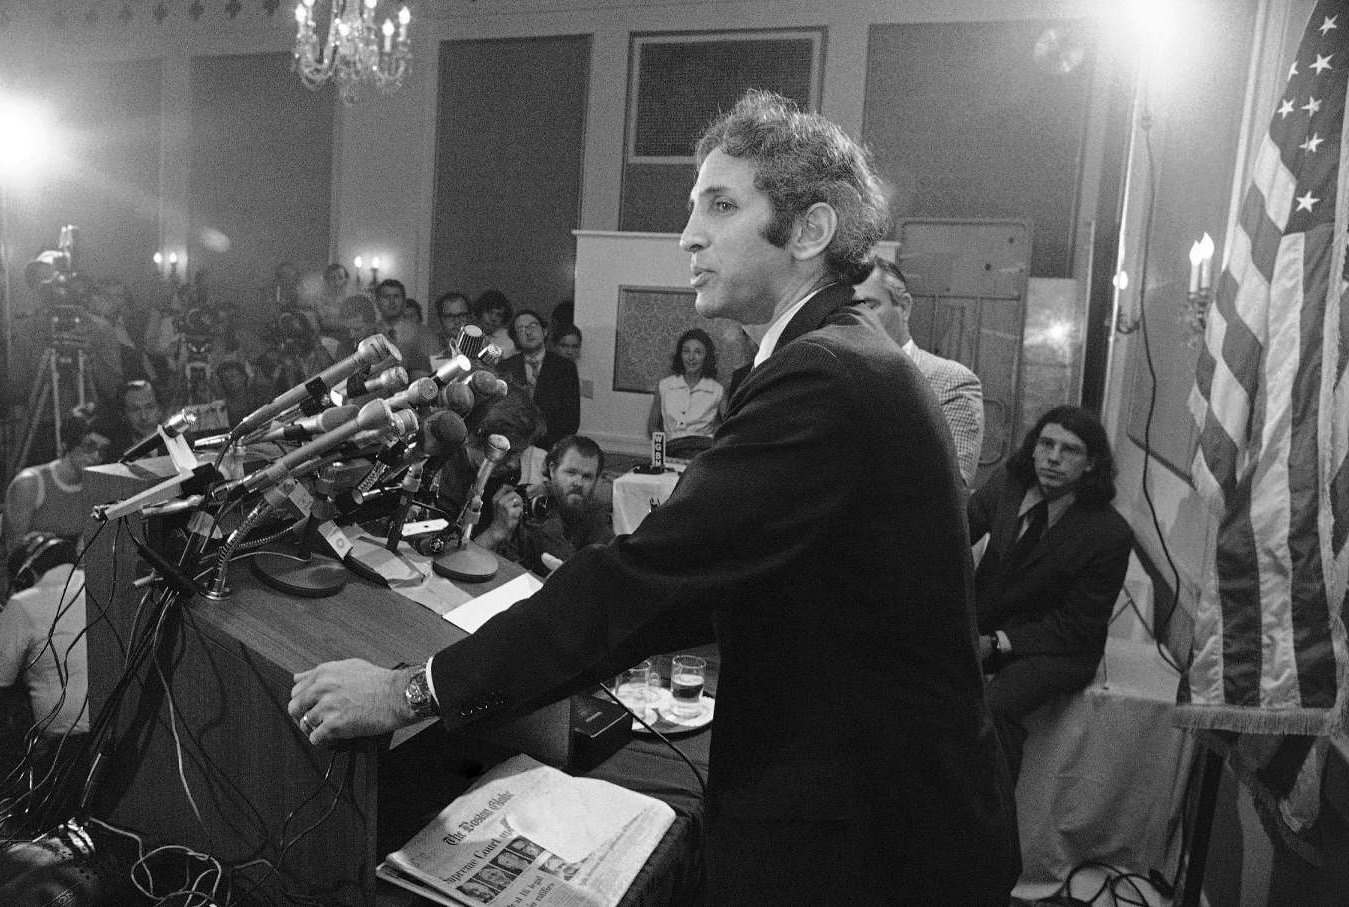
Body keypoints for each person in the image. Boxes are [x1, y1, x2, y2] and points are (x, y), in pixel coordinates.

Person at [288, 90, 1017, 904]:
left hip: (868, 841)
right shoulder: (831, 358)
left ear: (809, 231)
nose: (687, 235)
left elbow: (646, 579)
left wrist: (407, 689)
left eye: (721, 204)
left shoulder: (826, 377)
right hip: (873, 806)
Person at [969, 405, 1132, 785]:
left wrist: (995, 643)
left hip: (1057, 647)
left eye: (1069, 450)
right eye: (1046, 444)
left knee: (998, 703)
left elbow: (1076, 628)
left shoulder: (1109, 534)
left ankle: (994, 818)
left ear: (1091, 464)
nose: (1053, 458)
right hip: (989, 622)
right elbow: (956, 536)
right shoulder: (1009, 484)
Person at [0, 532, 90, 823]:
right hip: (114, 734)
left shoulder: (24, 603)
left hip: (67, 753)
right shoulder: (95, 583)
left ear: (27, 575)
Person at [855, 256, 984, 486]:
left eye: (868, 306)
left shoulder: (950, 382)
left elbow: (952, 488)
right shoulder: (832, 376)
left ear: (903, 307)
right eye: (846, 310)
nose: (855, 319)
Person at [434, 385, 545, 555]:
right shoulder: (442, 472)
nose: (514, 464)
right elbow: (441, 557)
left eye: (520, 454)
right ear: (482, 436)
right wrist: (495, 532)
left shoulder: (506, 473)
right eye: (510, 453)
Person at [3, 407, 108, 548]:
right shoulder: (29, 483)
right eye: (89, 446)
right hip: (17, 566)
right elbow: (12, 548)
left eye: (102, 450)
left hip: (68, 567)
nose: (96, 456)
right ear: (68, 443)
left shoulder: (97, 486)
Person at [514, 435, 614, 577]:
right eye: (571, 472)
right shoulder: (533, 506)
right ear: (552, 470)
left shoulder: (591, 509)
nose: (578, 483)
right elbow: (561, 564)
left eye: (587, 477)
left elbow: (608, 558)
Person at [497, 310, 580, 450]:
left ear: (545, 331)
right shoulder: (505, 367)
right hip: (512, 448)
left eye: (533, 326)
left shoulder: (565, 367)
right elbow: (500, 413)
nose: (528, 332)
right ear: (515, 338)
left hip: (550, 447)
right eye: (521, 329)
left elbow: (571, 418)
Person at [647, 327, 723, 459]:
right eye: (686, 351)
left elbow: (728, 427)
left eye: (698, 352)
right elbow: (652, 427)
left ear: (706, 357)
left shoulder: (717, 390)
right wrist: (662, 450)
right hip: (672, 451)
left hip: (703, 455)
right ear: (680, 355)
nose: (691, 357)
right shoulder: (665, 386)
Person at [370, 281, 432, 377]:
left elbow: (424, 374)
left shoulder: (419, 333)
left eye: (396, 296)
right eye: (386, 297)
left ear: (403, 301)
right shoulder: (369, 333)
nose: (392, 302)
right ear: (377, 301)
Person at [99, 378, 164, 460]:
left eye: (149, 407)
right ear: (123, 415)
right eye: (135, 410)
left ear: (160, 410)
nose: (143, 417)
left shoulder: (181, 444)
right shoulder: (112, 453)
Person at [429, 291, 474, 372]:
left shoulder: (481, 347)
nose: (456, 321)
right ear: (440, 319)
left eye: (462, 315)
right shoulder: (428, 347)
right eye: (450, 316)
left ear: (469, 317)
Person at [474, 289, 516, 359]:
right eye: (489, 312)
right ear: (480, 312)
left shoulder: (510, 340)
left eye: (498, 315)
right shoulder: (469, 333)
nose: (493, 318)